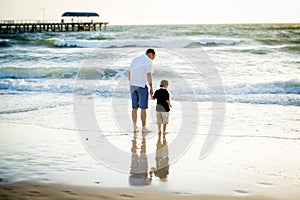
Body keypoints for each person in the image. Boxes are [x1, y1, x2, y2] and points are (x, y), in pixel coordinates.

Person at [128, 48, 155, 133]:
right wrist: (151, 87)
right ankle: (143, 128)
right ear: (151, 54)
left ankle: (134, 128)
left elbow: (129, 72)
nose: (153, 58)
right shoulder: (148, 61)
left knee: (134, 107)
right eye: (154, 56)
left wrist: (131, 82)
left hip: (132, 85)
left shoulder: (135, 59)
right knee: (143, 108)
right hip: (141, 85)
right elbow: (148, 75)